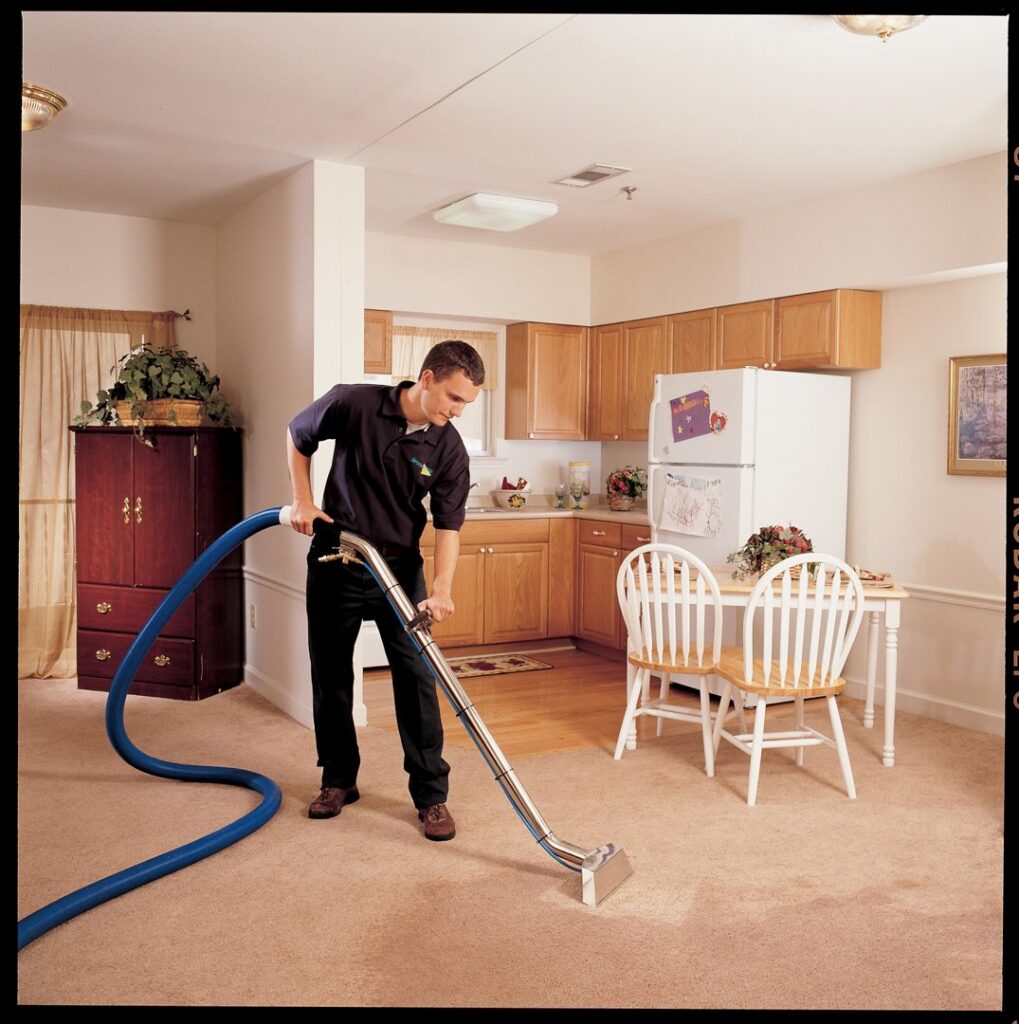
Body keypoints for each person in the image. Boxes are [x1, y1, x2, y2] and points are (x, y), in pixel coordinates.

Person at [285, 340, 484, 841]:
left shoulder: (448, 447)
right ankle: (337, 781)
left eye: (466, 404)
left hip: (398, 570)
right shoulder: (353, 403)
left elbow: (449, 527)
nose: (457, 411)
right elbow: (297, 434)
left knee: (417, 678)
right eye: (454, 398)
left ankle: (431, 797)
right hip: (338, 558)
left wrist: (441, 588)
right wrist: (304, 501)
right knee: (330, 674)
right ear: (427, 378)